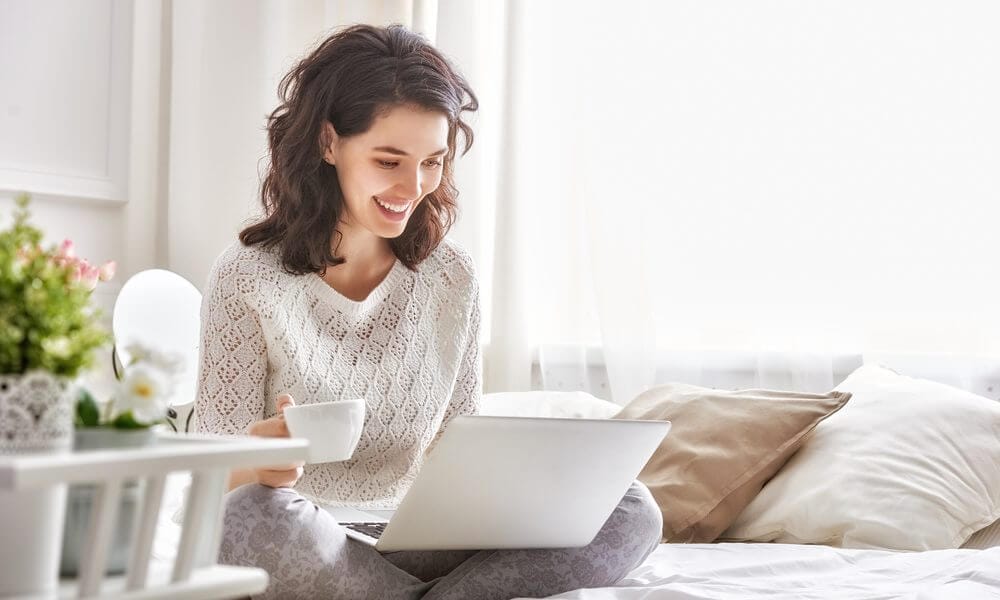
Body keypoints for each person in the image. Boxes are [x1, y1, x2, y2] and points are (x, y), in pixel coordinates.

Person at [194, 23, 661, 600]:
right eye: (389, 161)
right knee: (247, 523)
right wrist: (261, 462)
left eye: (433, 162)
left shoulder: (452, 277)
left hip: (420, 537)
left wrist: (519, 486)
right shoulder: (247, 275)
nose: (412, 187)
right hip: (305, 533)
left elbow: (456, 448)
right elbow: (210, 482)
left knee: (631, 504)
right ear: (329, 143)